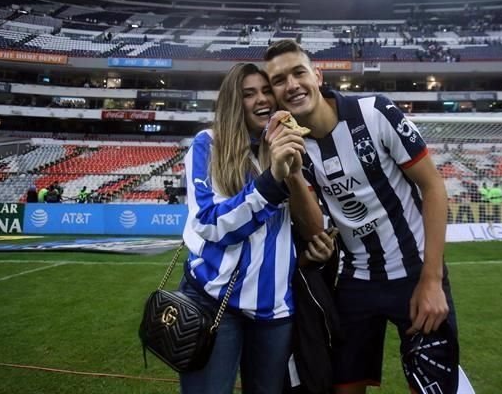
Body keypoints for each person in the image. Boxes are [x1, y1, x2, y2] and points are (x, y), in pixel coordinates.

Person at [264, 40, 459, 394]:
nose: (291, 85)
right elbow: (313, 227)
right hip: (354, 280)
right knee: (341, 386)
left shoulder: (376, 112)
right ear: (274, 94)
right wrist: (290, 174)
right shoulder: (292, 146)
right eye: (279, 80)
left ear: (317, 76)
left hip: (415, 274)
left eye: (298, 72)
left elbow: (433, 187)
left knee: (434, 387)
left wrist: (432, 280)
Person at [180, 62, 334, 394]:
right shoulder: (208, 144)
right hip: (213, 300)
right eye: (249, 94)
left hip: (275, 309)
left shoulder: (284, 146)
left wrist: (291, 173)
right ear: (234, 102)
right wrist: (270, 181)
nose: (261, 99)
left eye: (266, 91)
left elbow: (313, 228)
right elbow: (208, 223)